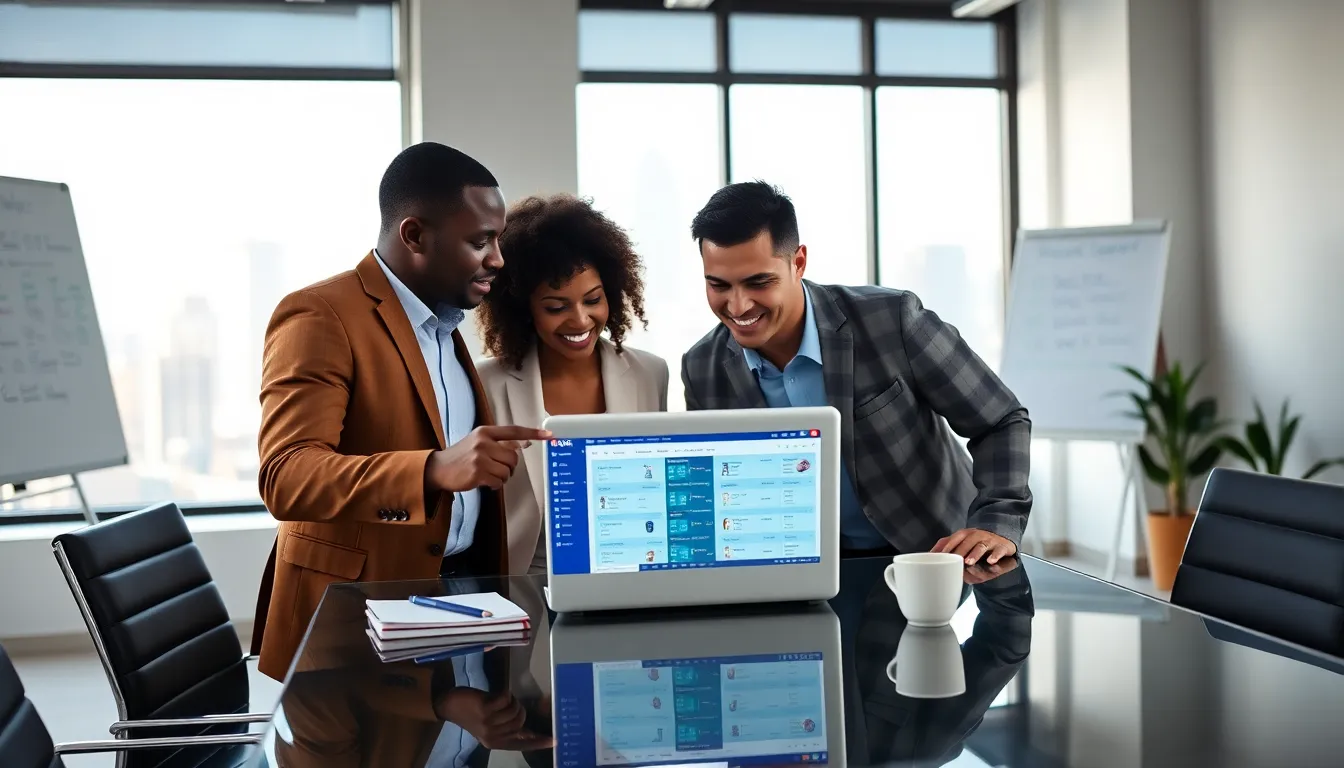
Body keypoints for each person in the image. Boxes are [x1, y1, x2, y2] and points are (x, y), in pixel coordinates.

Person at [250, 142, 549, 681]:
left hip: (455, 607)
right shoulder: (320, 315)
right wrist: (432, 469)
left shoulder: (445, 326)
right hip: (351, 629)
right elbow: (286, 476)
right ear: (414, 235)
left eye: (498, 239)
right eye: (480, 241)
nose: (497, 259)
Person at [680, 181, 1031, 566]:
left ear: (798, 263)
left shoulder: (892, 320)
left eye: (758, 282)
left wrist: (997, 521)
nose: (738, 306)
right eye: (718, 285)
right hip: (803, 573)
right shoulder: (702, 369)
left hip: (937, 561)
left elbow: (999, 419)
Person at [476, 194, 668, 575]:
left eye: (592, 300)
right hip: (524, 582)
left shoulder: (650, 374)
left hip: (630, 575)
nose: (580, 320)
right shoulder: (487, 384)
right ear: (524, 309)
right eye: (556, 307)